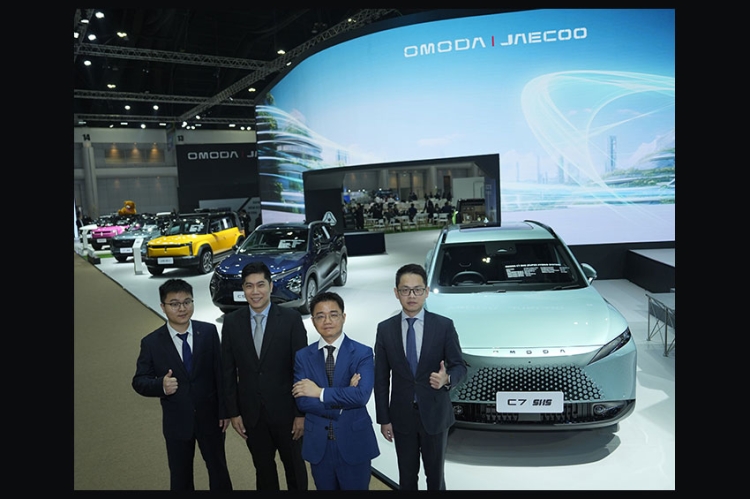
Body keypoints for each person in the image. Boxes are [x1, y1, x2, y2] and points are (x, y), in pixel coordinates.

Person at [131, 278, 232, 491]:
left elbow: (220, 374)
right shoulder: (152, 343)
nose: (182, 308)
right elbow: (139, 381)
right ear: (163, 306)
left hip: (211, 419)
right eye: (174, 304)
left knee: (219, 471)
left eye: (187, 302)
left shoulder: (208, 332)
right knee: (181, 476)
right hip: (177, 422)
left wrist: (224, 410)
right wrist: (160, 385)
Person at [374, 263, 467, 490]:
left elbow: (460, 366)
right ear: (396, 293)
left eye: (417, 290)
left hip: (435, 415)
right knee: (407, 478)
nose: (411, 295)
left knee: (435, 478)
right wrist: (384, 418)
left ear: (426, 292)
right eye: (405, 290)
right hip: (401, 416)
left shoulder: (443, 326)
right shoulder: (385, 329)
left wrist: (447, 379)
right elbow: (381, 378)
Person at [221, 261, 309, 490]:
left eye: (260, 285)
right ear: (243, 289)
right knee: (263, 470)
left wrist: (300, 413)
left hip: (288, 414)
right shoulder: (231, 322)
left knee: (295, 469)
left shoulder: (291, 319)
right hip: (252, 415)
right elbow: (227, 371)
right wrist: (233, 412)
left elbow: (302, 370)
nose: (255, 291)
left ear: (270, 286)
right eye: (249, 286)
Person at [292, 291, 380, 490]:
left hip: (354, 442)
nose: (327, 321)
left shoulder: (362, 353)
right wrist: (344, 397)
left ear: (343, 317)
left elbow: (361, 396)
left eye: (333, 314)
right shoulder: (303, 356)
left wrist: (319, 392)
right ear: (313, 321)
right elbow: (302, 400)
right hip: (319, 445)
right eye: (320, 316)